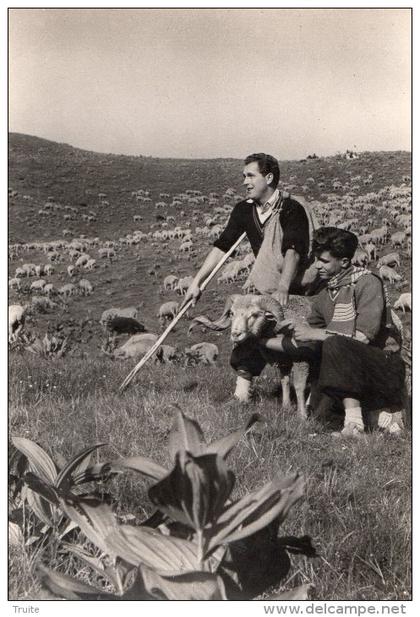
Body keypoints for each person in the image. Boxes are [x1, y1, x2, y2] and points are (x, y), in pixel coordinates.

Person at [183, 152, 320, 403]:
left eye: (250, 176)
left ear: (268, 178)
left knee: (299, 336)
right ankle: (243, 389)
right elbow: (222, 246)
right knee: (246, 326)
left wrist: (283, 287)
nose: (245, 182)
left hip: (294, 283)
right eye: (243, 176)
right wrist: (197, 282)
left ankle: (314, 392)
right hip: (265, 281)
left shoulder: (291, 208)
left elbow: (294, 250)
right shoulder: (244, 211)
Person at [259, 227, 406, 437]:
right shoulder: (325, 296)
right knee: (321, 417)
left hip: (383, 367)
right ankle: (376, 417)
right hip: (349, 370)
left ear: (344, 262)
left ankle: (355, 424)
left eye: (324, 261)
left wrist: (314, 334)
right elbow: (305, 342)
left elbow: (363, 337)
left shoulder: (368, 283)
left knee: (334, 344)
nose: (317, 266)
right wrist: (261, 341)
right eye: (316, 259)